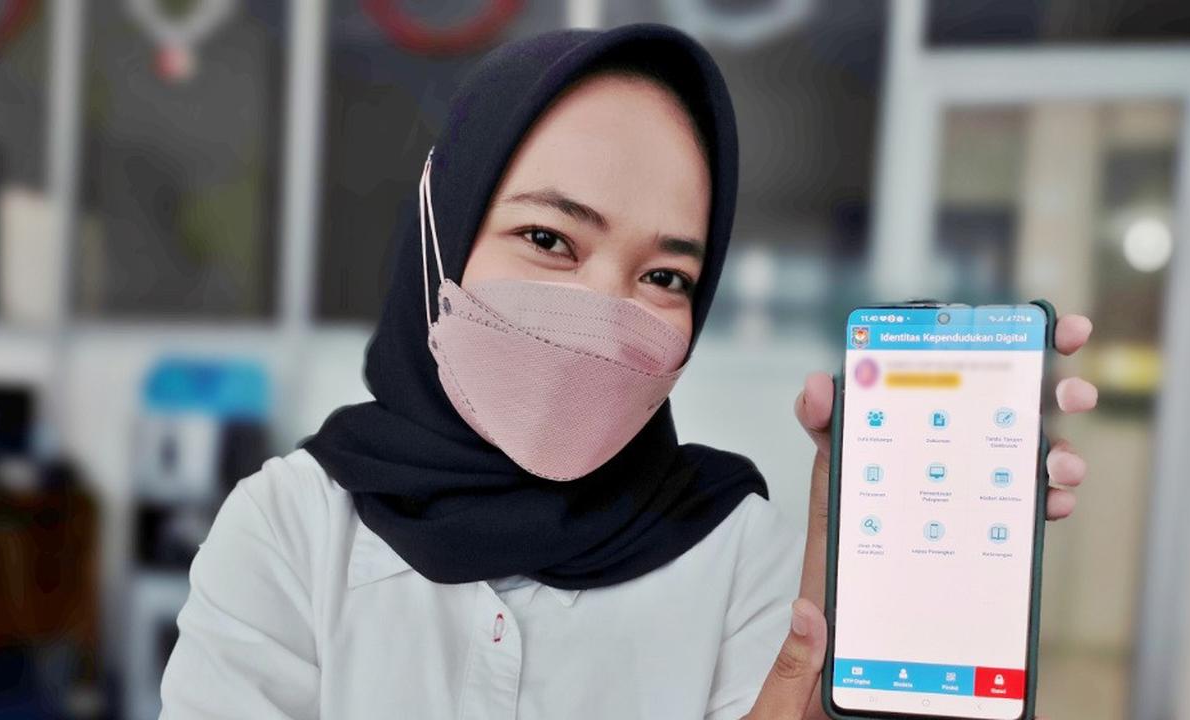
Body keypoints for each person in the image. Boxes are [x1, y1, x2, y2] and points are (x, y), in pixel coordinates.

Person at [159, 23, 1096, 719]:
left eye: (665, 277)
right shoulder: (290, 533)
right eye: (548, 238)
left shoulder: (741, 556)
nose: (604, 315)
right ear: (442, 234)